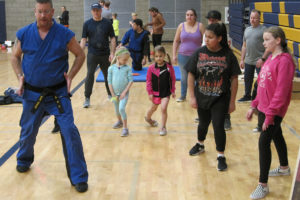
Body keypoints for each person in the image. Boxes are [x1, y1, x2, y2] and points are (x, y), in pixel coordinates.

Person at [10, 0, 88, 192]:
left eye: (46, 12)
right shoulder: (25, 33)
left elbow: (80, 55)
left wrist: (70, 77)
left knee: (69, 131)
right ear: (35, 12)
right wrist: (20, 77)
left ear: (52, 12)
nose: (43, 15)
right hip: (32, 93)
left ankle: (78, 177)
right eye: (40, 12)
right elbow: (14, 56)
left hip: (58, 94)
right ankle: (24, 159)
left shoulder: (64, 34)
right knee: (28, 132)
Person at [246, 26, 294, 200]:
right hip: (264, 109)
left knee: (263, 142)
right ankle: (284, 167)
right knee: (277, 136)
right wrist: (254, 105)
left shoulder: (285, 61)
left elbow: (281, 92)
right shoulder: (270, 58)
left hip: (275, 111)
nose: (263, 42)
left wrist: (271, 115)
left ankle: (263, 185)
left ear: (278, 40)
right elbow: (261, 84)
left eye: (267, 40)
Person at [185, 23, 241, 171]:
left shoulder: (228, 55)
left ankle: (221, 155)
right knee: (203, 124)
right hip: (202, 96)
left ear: (220, 38)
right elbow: (191, 74)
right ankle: (200, 144)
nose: (207, 40)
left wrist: (232, 101)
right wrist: (192, 96)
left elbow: (234, 80)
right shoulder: (199, 53)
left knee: (218, 127)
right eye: (206, 37)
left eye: (210, 37)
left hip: (220, 99)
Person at [80, 3, 116, 108]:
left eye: (98, 10)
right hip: (92, 54)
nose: (96, 12)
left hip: (105, 54)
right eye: (94, 10)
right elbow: (83, 39)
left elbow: (113, 38)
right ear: (91, 11)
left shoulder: (107, 23)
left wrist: (113, 53)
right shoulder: (87, 24)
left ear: (101, 11)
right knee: (90, 75)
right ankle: (87, 98)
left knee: (107, 76)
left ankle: (111, 95)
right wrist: (80, 52)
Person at [172, 9, 204, 102]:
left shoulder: (200, 26)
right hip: (183, 55)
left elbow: (206, 41)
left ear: (195, 16)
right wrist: (174, 55)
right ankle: (183, 96)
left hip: (197, 56)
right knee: (184, 77)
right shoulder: (181, 26)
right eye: (187, 15)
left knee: (197, 76)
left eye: (191, 15)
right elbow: (176, 41)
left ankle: (196, 96)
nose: (189, 17)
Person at [238, 9, 269, 103]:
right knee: (247, 79)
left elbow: (268, 47)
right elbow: (244, 46)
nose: (252, 20)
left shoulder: (264, 30)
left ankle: (261, 98)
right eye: (251, 17)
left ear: (259, 18)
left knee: (262, 81)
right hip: (248, 60)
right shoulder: (247, 30)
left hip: (260, 61)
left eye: (255, 18)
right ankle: (247, 95)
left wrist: (263, 59)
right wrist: (242, 59)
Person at [145, 45, 176, 136]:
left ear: (164, 56)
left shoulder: (169, 67)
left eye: (160, 56)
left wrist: (173, 90)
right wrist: (150, 92)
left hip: (165, 93)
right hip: (155, 93)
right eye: (156, 56)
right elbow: (148, 81)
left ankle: (163, 127)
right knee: (153, 108)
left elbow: (173, 79)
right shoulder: (151, 68)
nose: (158, 58)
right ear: (154, 57)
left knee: (163, 108)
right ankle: (148, 118)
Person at [108, 47, 133, 137]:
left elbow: (131, 81)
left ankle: (125, 128)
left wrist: (124, 92)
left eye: (127, 60)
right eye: (125, 60)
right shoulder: (111, 68)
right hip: (115, 93)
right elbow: (109, 82)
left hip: (124, 94)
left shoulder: (127, 68)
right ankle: (119, 122)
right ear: (118, 57)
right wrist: (113, 94)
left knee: (121, 108)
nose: (126, 61)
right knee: (116, 110)